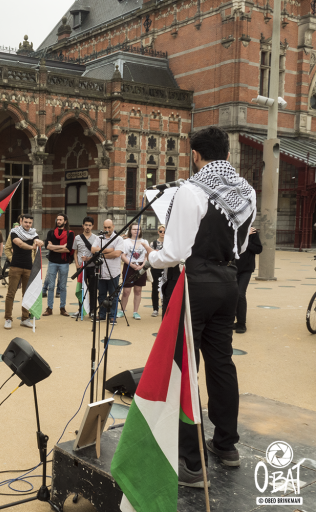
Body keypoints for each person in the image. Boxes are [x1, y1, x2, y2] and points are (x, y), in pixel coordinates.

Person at [144, 126, 256, 487]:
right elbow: (239, 244)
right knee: (221, 363)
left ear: (195, 154)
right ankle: (226, 446)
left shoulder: (191, 191)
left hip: (195, 283)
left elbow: (175, 253)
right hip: (228, 281)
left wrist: (152, 257)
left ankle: (191, 463)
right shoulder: (246, 191)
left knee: (183, 369)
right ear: (226, 152)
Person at [4, 215, 43, 329]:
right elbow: (19, 243)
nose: (28, 224)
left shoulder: (33, 233)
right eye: (26, 222)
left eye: (30, 223)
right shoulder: (14, 232)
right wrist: (32, 247)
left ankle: (25, 319)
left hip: (29, 268)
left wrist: (39, 242)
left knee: (27, 294)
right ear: (21, 221)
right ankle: (8, 318)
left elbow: (37, 240)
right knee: (11, 294)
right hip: (15, 266)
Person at [91, 219, 124, 323]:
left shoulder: (118, 239)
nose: (107, 229)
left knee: (113, 295)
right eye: (105, 227)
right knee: (101, 294)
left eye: (109, 227)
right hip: (101, 271)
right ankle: (101, 314)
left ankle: (112, 316)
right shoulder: (99, 237)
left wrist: (100, 252)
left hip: (113, 271)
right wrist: (109, 250)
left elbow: (117, 254)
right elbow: (92, 250)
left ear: (113, 227)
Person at [43, 213, 75, 317]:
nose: (58, 221)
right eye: (58, 219)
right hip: (52, 262)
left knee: (62, 287)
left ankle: (62, 308)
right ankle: (49, 308)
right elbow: (48, 247)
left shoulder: (70, 233)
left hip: (64, 263)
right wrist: (61, 246)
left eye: (61, 220)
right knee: (51, 286)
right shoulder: (51, 233)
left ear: (65, 221)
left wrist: (54, 247)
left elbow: (68, 249)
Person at [234, 226, 262, 334]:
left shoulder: (253, 231)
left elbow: (258, 249)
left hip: (246, 268)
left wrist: (246, 240)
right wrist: (243, 237)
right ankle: (232, 320)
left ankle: (241, 324)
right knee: (232, 294)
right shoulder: (232, 229)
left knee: (241, 294)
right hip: (232, 267)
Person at [119, 224, 149, 320]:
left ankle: (135, 312)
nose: (136, 231)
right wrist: (131, 265)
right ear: (130, 230)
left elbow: (147, 255)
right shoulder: (125, 242)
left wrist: (142, 266)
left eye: (138, 229)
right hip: (129, 266)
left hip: (141, 266)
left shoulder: (145, 242)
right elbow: (123, 255)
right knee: (126, 291)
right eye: (134, 229)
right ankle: (122, 310)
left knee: (138, 290)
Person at [71, 216, 98, 318]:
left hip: (92, 266)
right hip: (81, 267)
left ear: (92, 226)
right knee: (81, 288)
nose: (87, 227)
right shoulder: (77, 238)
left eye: (89, 225)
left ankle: (92, 311)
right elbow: (75, 252)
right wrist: (76, 264)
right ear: (83, 225)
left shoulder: (96, 238)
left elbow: (97, 253)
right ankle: (81, 309)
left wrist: (89, 258)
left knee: (92, 289)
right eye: (86, 225)